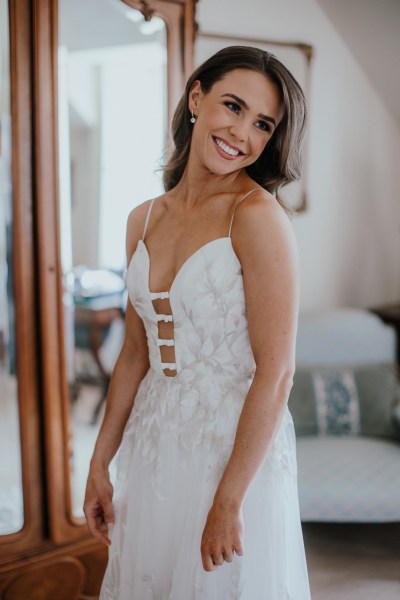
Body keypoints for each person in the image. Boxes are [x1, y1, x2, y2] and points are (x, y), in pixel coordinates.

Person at [84, 45, 312, 599]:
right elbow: (135, 353)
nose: (242, 133)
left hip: (233, 451)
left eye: (263, 124)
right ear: (195, 97)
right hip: (157, 439)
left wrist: (230, 499)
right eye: (232, 106)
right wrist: (99, 461)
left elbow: (276, 371)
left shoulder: (258, 218)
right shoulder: (142, 218)